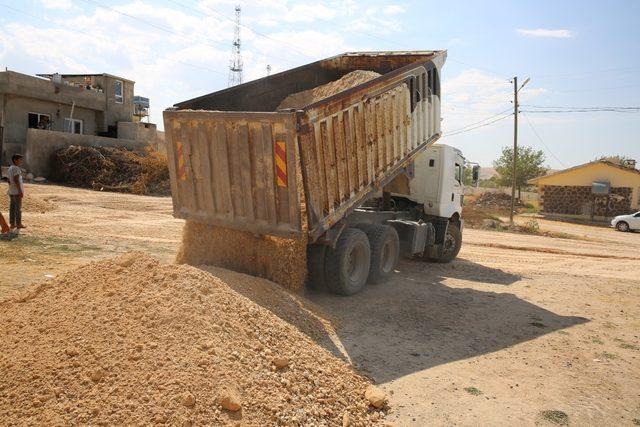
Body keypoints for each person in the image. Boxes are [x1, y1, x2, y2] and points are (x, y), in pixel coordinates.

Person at [7, 154, 25, 230]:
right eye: (20, 160)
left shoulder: (10, 168)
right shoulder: (16, 168)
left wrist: (11, 187)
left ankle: (12, 224)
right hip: (16, 192)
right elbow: (16, 180)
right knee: (18, 208)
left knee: (12, 208)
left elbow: (8, 180)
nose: (21, 161)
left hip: (11, 191)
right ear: (15, 160)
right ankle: (18, 223)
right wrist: (20, 191)